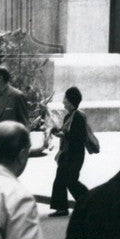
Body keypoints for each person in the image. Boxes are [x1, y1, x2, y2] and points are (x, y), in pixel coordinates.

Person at [48, 86, 90, 217]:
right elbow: (64, 132)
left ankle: (88, 201)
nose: (63, 101)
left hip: (74, 154)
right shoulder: (68, 117)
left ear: (70, 101)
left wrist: (63, 135)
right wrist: (54, 131)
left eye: (65, 98)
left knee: (69, 180)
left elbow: (77, 137)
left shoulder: (78, 116)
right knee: (63, 179)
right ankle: (65, 207)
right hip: (67, 153)